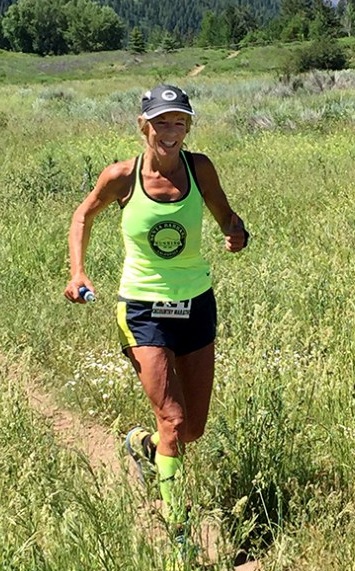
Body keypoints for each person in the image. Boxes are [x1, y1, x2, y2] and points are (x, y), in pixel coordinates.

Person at [64, 83, 248, 534]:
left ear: (188, 126)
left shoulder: (199, 168)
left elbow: (225, 214)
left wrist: (236, 232)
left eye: (179, 122)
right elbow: (83, 215)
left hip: (196, 304)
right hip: (143, 308)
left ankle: (143, 446)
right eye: (161, 122)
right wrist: (78, 271)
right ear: (143, 125)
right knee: (174, 419)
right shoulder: (122, 176)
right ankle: (179, 533)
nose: (170, 131)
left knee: (192, 431)